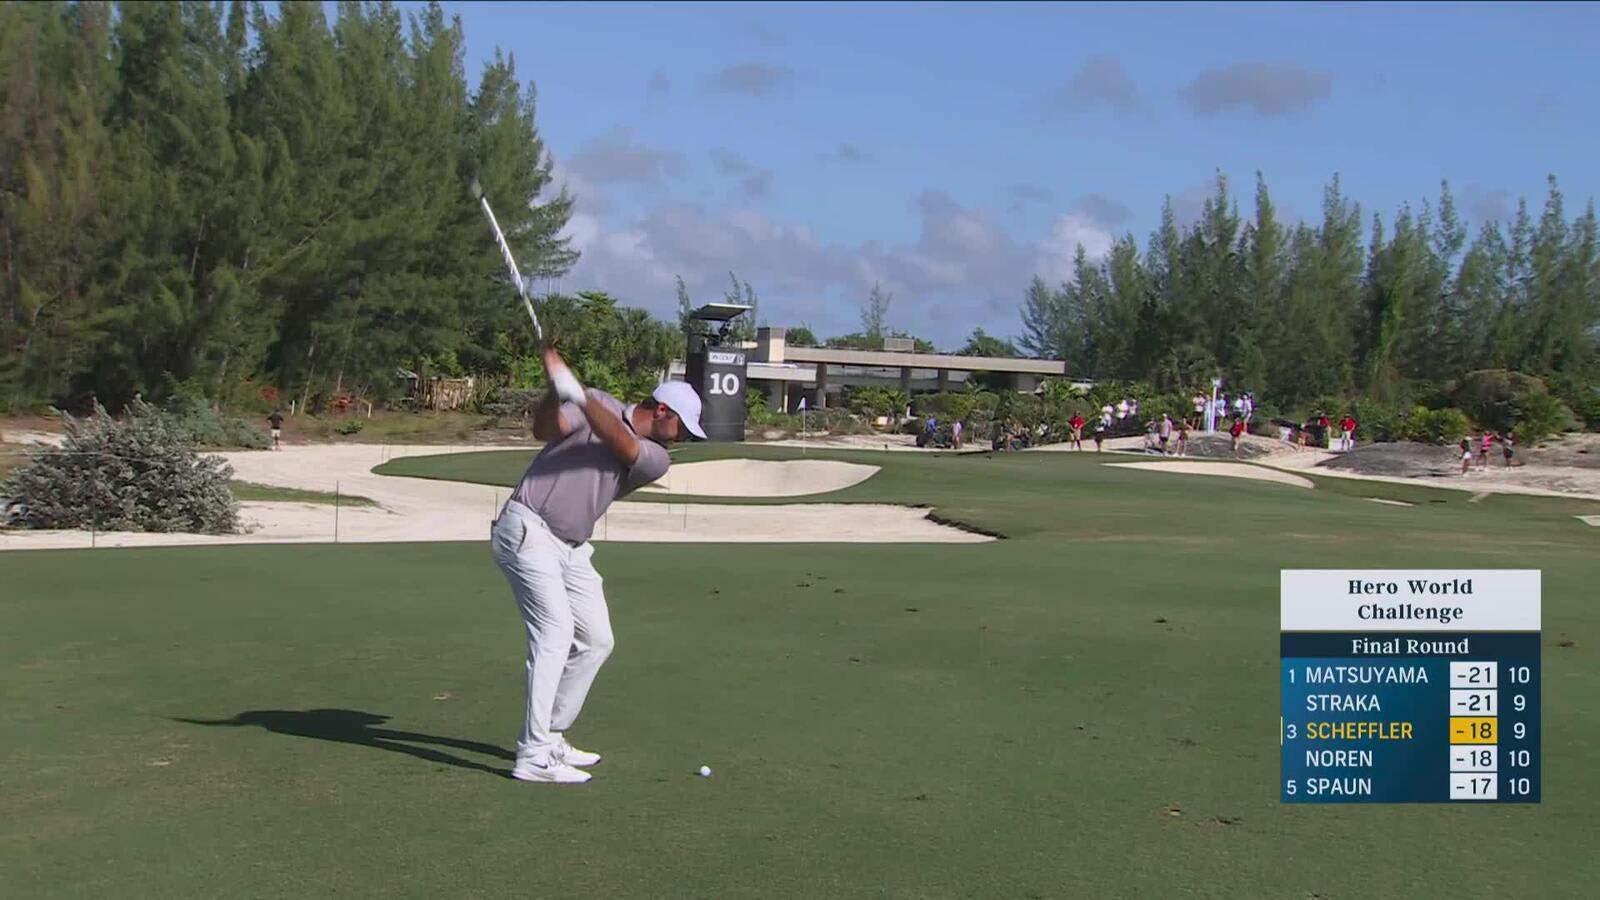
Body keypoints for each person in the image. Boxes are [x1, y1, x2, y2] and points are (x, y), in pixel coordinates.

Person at [493, 346, 705, 784]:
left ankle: (550, 734)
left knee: (597, 640)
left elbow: (622, 443)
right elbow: (545, 429)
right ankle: (533, 755)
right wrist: (556, 389)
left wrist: (578, 393)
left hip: (572, 548)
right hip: (529, 529)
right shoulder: (600, 402)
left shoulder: (656, 458)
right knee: (555, 635)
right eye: (682, 427)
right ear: (662, 410)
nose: (682, 438)